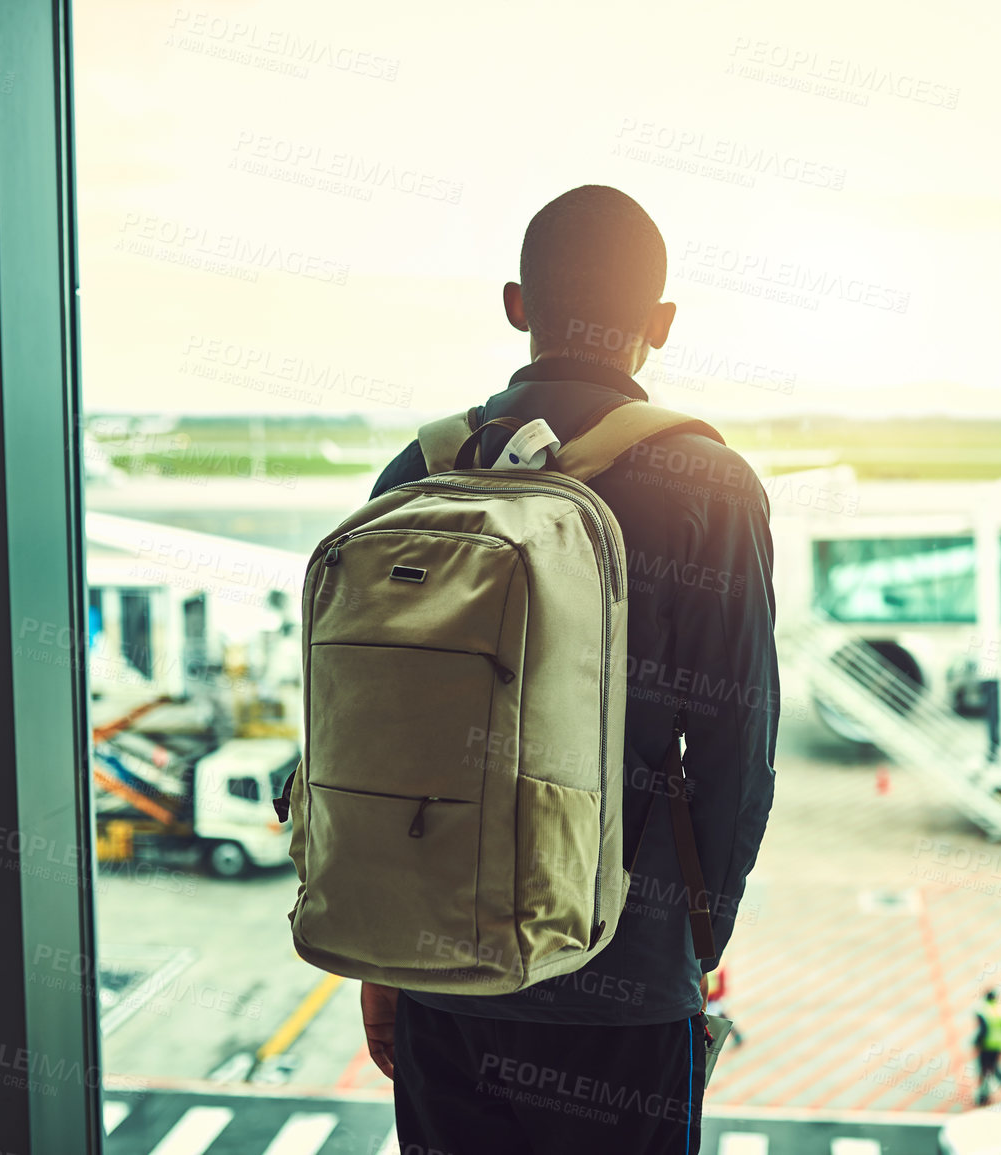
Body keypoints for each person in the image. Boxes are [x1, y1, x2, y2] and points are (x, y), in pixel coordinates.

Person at [359, 185, 780, 1155]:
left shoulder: (416, 474)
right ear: (660, 325)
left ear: (516, 305)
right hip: (622, 976)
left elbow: (374, 732)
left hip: (439, 965)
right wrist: (696, 937)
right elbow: (734, 751)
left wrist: (383, 955)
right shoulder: (708, 487)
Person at [972, 988, 1001, 1107]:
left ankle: (985, 1097)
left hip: (986, 1046)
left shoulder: (983, 1010)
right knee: (993, 1070)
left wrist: (976, 1043)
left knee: (986, 1071)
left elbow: (983, 1030)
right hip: (999, 1046)